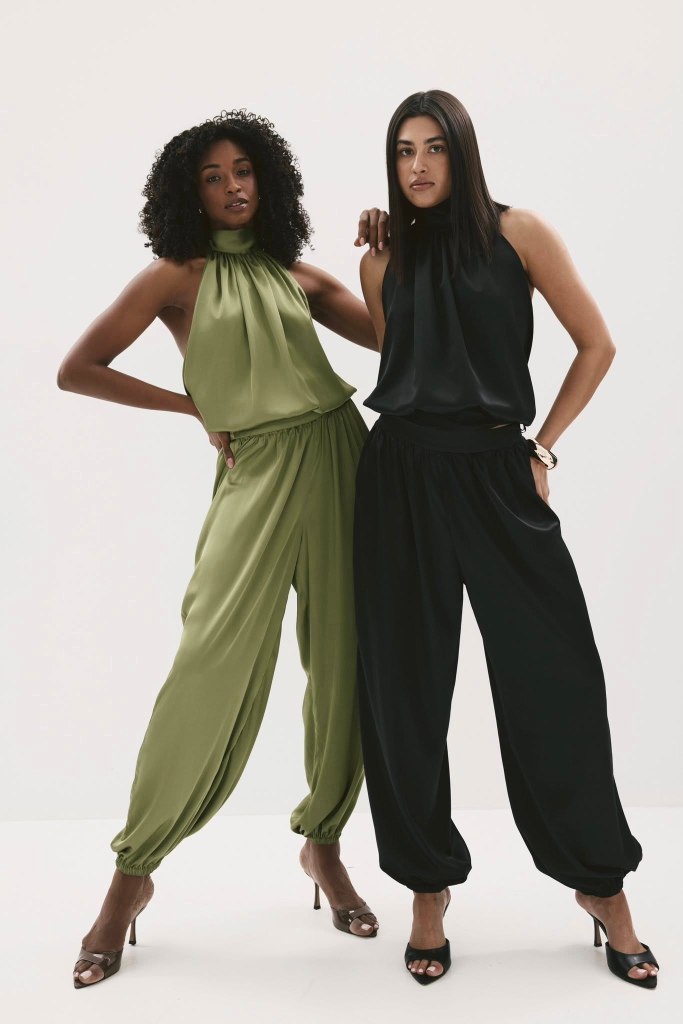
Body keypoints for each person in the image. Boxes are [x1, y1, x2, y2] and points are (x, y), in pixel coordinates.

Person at [58, 109, 379, 990]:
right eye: (213, 176)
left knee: (345, 662)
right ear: (187, 194)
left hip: (340, 457)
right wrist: (192, 406)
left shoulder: (297, 274)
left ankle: (324, 845)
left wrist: (381, 264)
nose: (234, 186)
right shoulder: (174, 278)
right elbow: (77, 368)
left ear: (267, 179)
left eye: (244, 170)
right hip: (255, 468)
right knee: (208, 663)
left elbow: (399, 340)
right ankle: (131, 878)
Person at [353, 89, 659, 988]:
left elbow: (595, 344)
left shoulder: (519, 233)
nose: (416, 165)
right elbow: (402, 359)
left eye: (433, 148)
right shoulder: (382, 259)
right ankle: (426, 889)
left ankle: (600, 887)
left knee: (554, 677)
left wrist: (542, 447)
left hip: (495, 471)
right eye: (402, 150)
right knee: (404, 688)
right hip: (400, 474)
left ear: (463, 152)